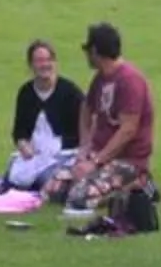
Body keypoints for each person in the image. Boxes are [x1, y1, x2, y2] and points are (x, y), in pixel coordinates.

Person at [56, 20, 154, 219]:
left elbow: (128, 129)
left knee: (80, 197)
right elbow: (86, 108)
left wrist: (96, 162)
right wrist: (84, 149)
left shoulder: (130, 81)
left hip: (127, 161)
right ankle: (118, 189)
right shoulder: (101, 78)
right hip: (100, 157)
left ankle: (139, 184)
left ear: (94, 51)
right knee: (55, 188)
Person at [8, 39, 82, 189]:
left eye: (49, 60)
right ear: (31, 65)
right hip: (34, 155)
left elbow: (84, 128)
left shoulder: (70, 92)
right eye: (39, 61)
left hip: (64, 153)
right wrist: (23, 145)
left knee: (45, 179)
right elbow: (19, 131)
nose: (45, 65)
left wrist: (58, 146)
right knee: (11, 177)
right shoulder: (26, 93)